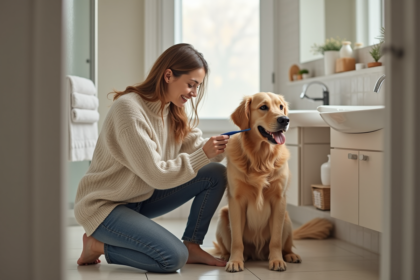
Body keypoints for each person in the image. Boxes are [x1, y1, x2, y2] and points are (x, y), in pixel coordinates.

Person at [74, 43, 230, 273]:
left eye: (197, 87)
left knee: (216, 174)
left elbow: (202, 150)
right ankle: (97, 245)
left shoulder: (172, 109)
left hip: (139, 198)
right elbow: (158, 175)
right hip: (104, 207)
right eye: (191, 85)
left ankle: (192, 243)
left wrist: (239, 142)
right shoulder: (128, 109)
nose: (194, 93)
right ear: (168, 75)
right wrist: (204, 153)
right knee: (173, 258)